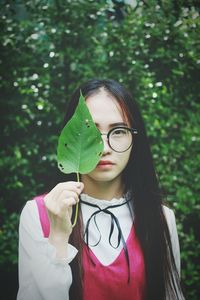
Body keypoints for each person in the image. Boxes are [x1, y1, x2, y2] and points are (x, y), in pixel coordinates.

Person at [17, 79, 184, 300]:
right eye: (90, 133)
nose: (104, 148)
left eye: (118, 131)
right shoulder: (37, 213)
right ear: (72, 139)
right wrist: (57, 237)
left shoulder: (161, 217)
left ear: (135, 139)